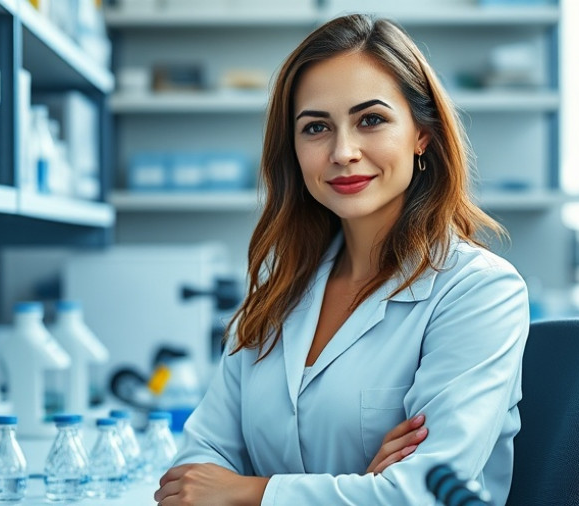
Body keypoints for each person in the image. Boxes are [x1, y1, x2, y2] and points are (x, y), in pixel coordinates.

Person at [154, 13, 529, 506]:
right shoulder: (279, 290)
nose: (343, 151)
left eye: (370, 120)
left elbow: (422, 494)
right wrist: (359, 488)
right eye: (316, 127)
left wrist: (251, 492)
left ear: (422, 134)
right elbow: (193, 474)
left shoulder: (479, 291)